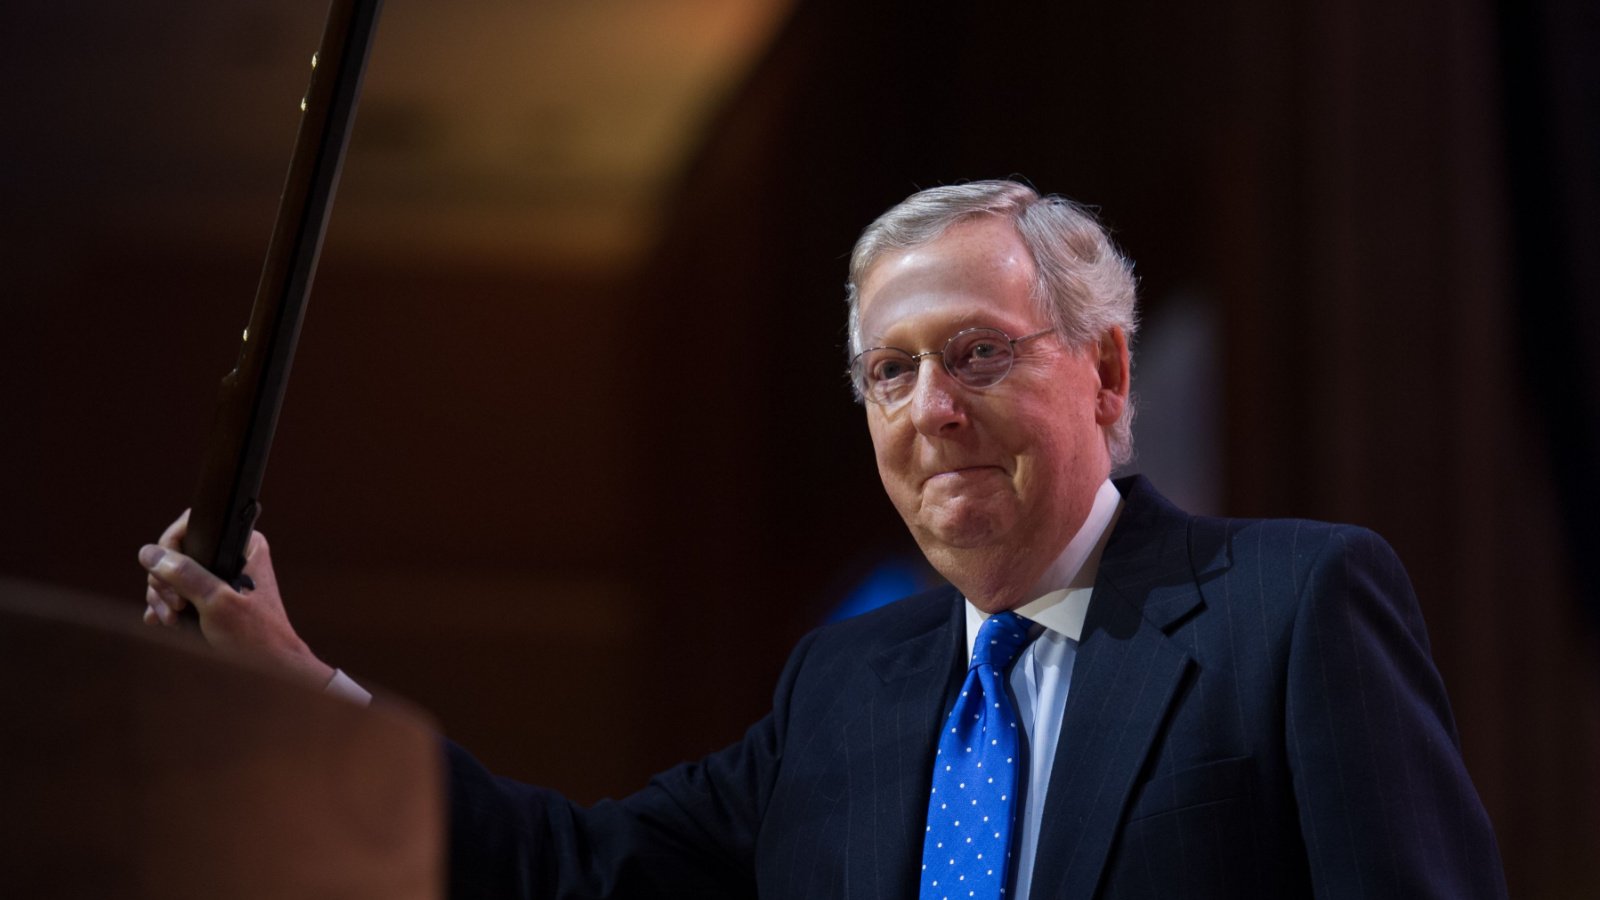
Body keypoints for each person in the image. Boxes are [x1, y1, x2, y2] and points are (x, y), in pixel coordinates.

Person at [141, 180, 1508, 898]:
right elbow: (568, 874)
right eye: (889, 371)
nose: (933, 410)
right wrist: (294, 690)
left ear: (1106, 374)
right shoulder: (842, 693)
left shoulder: (1294, 607)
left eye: (977, 352)